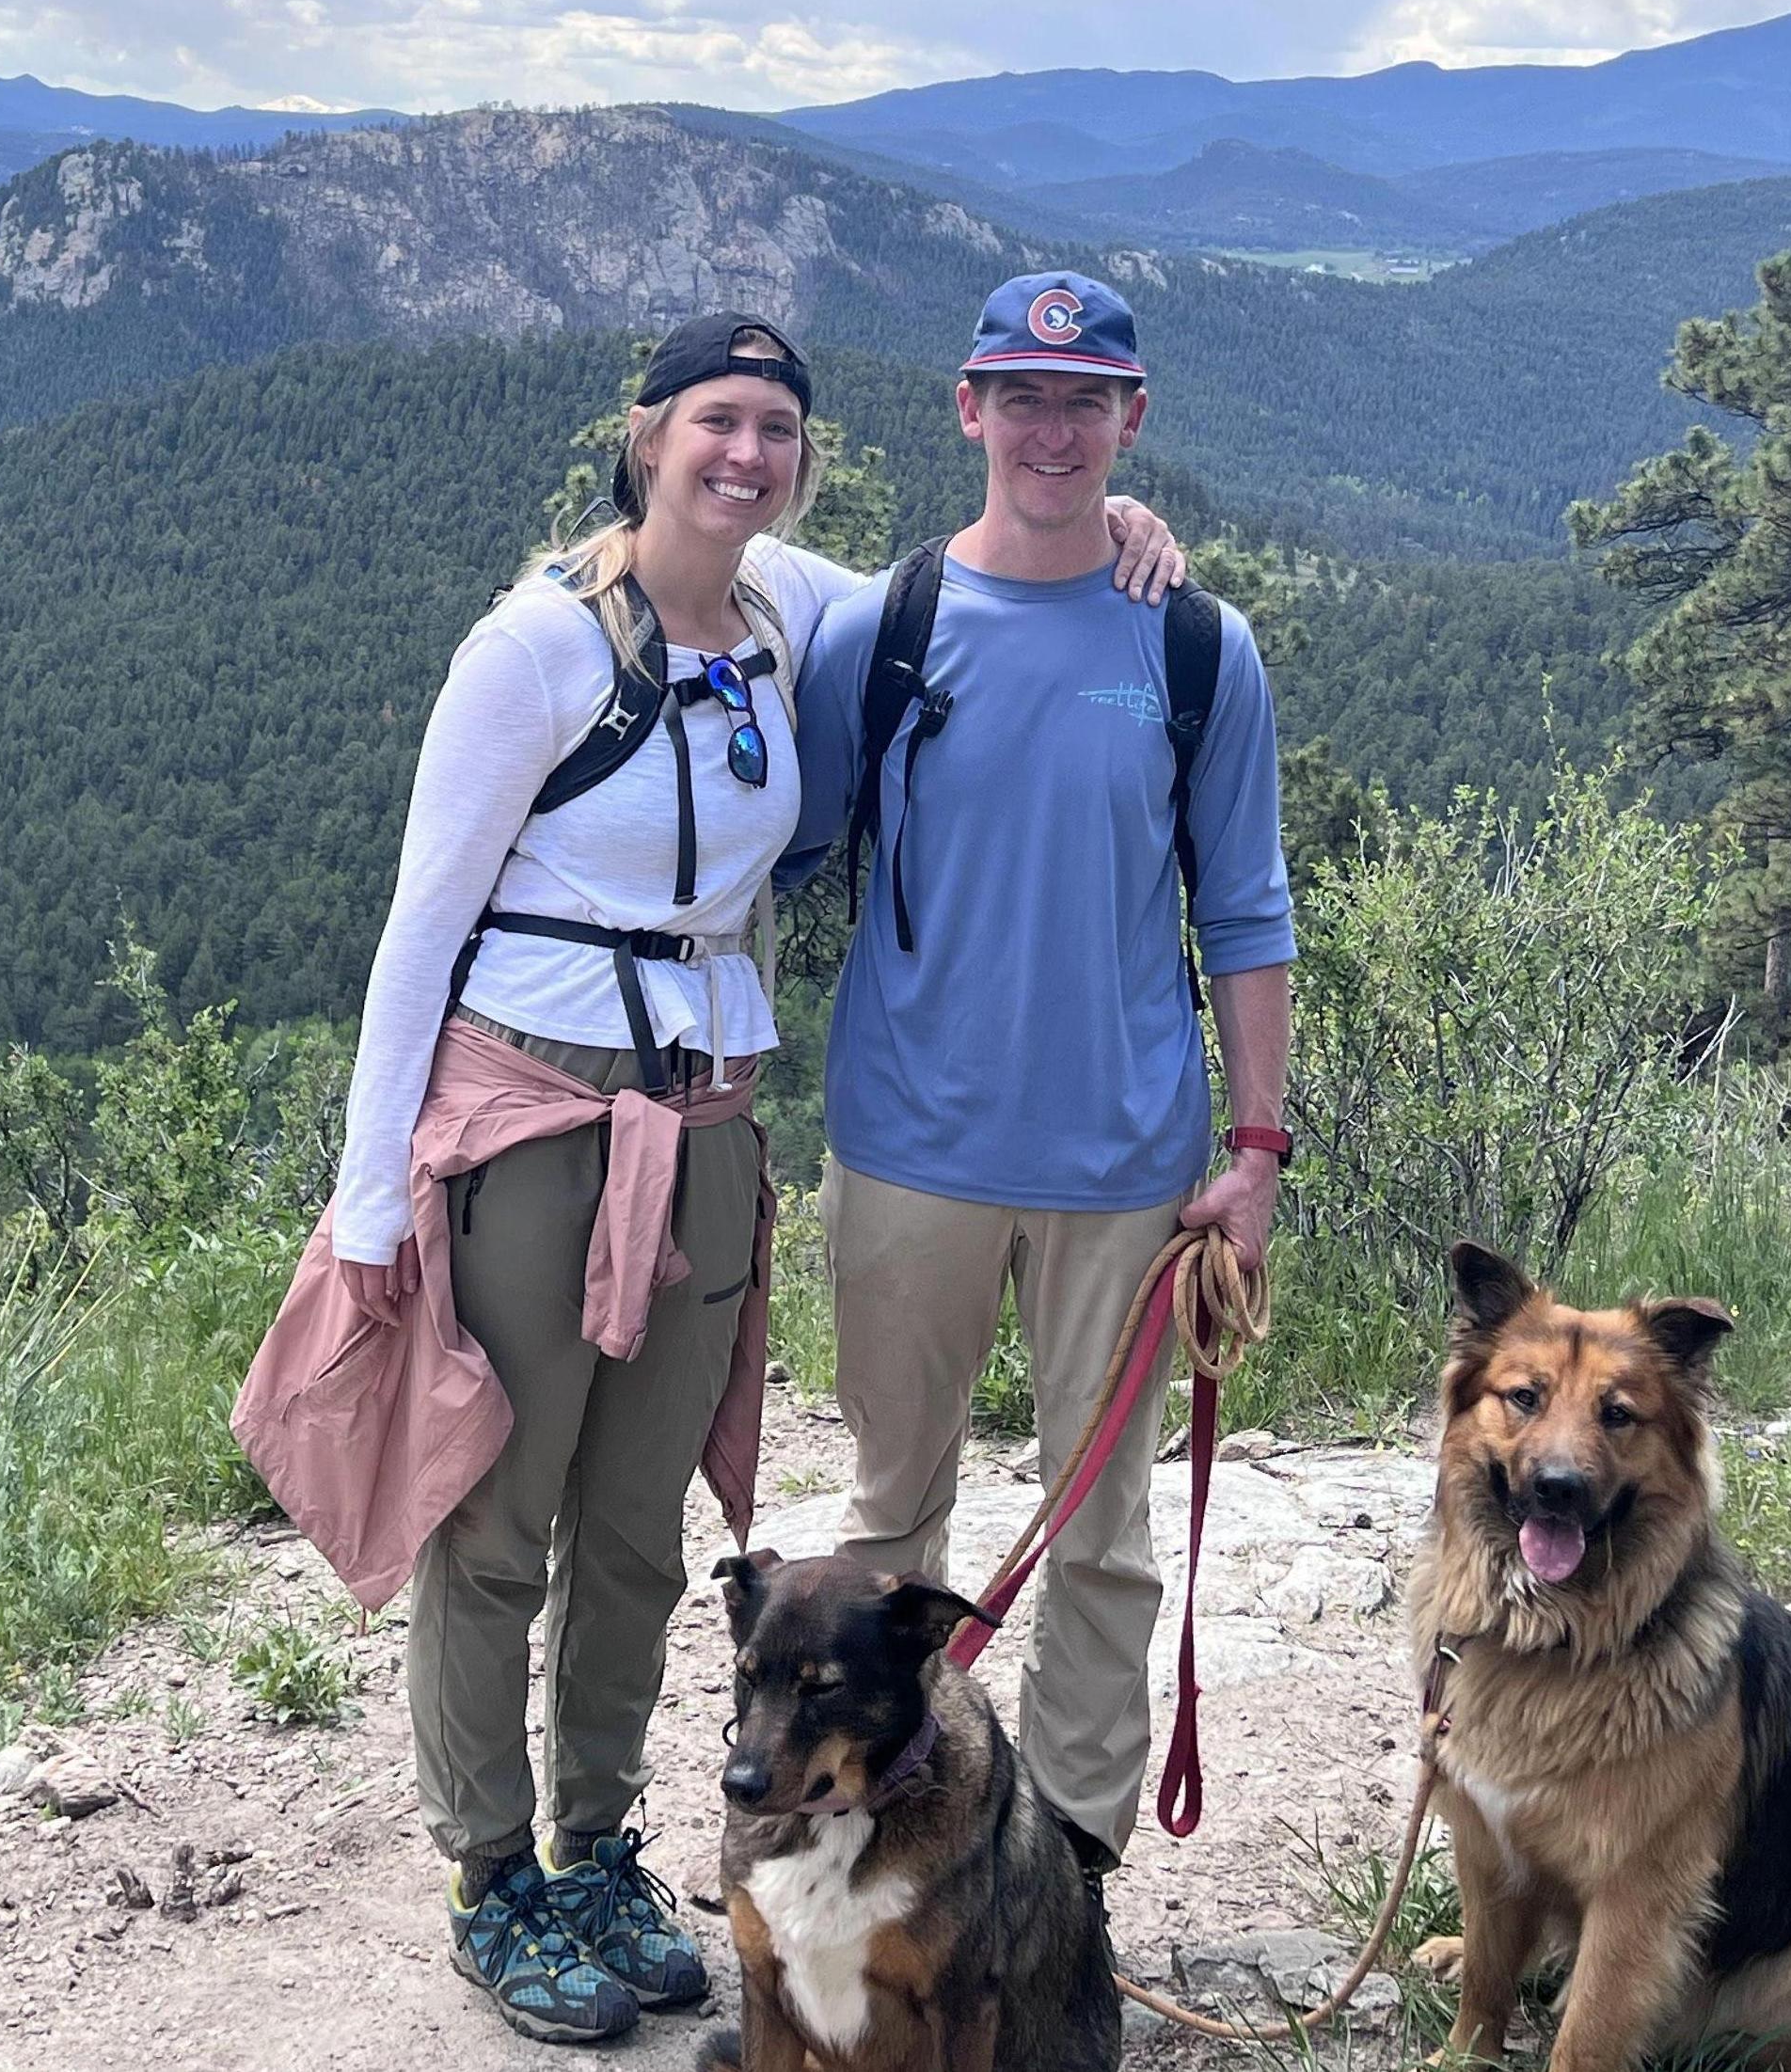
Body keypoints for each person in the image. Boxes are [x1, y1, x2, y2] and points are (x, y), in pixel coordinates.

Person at [296, 313, 1181, 2047]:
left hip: (702, 1130)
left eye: (776, 429)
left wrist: (1132, 536)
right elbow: (420, 926)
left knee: (636, 1530)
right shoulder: (536, 647)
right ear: (646, 435)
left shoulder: (788, 612)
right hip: (530, 1119)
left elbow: (1000, 559)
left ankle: (599, 1846)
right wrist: (372, 1192)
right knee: (498, 1521)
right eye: (715, 422)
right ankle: (493, 1885)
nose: (745, 456)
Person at [783, 270, 1295, 1881]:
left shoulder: (1199, 647)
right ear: (968, 409)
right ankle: (866, 1820)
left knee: (1107, 1542)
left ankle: (1065, 1870)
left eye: (1085, 402)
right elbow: (774, 833)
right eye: (1023, 396)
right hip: (906, 1147)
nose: (1053, 428)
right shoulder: (884, 628)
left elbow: (1248, 906)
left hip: (1129, 1166)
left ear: (1131, 418)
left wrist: (1258, 1146)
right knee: (887, 1525)